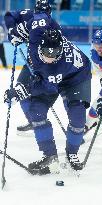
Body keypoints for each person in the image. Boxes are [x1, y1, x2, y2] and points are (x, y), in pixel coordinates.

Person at [4, 29, 92, 175]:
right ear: (40, 46)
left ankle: (72, 153)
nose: (50, 57)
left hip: (76, 77)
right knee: (36, 112)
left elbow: (47, 86)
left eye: (54, 54)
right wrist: (15, 31)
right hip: (48, 75)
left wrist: (21, 91)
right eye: (46, 53)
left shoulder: (62, 62)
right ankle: (50, 156)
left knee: (78, 116)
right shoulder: (35, 40)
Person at [4, 0, 61, 133]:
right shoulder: (48, 22)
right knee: (20, 89)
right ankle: (34, 121)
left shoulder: (52, 25)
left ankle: (39, 119)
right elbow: (9, 16)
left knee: (36, 91)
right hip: (32, 62)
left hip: (47, 66)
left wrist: (14, 33)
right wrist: (14, 32)